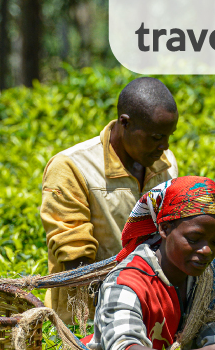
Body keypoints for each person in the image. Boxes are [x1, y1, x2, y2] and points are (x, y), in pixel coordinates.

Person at [82, 176, 215, 350]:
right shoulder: (127, 281)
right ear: (165, 229)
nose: (207, 250)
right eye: (194, 239)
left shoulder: (211, 275)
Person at [40, 77, 179, 324]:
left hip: (150, 314)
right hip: (84, 320)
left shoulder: (165, 164)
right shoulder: (72, 167)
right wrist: (126, 303)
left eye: (168, 136)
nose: (164, 146)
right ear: (125, 123)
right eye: (156, 137)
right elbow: (77, 260)